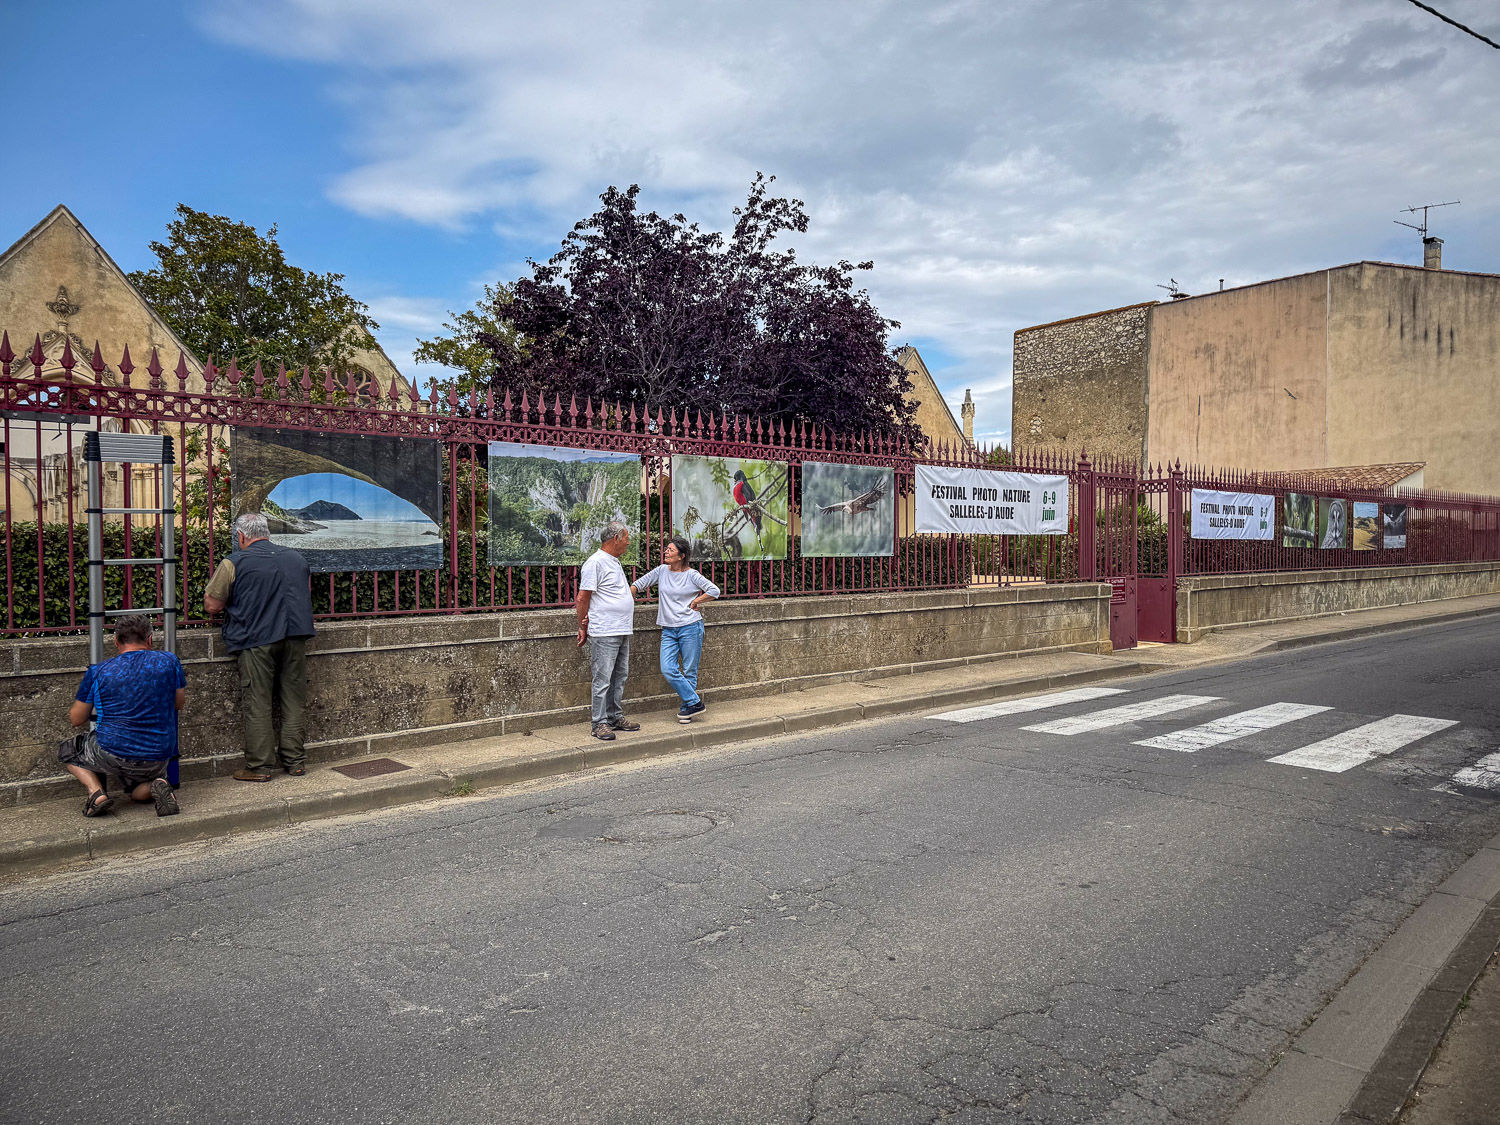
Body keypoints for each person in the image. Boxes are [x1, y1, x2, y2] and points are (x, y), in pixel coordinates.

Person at [203, 512, 316, 781]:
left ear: (241, 536)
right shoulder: (296, 558)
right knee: (293, 701)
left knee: (258, 702)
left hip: (257, 640)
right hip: (296, 636)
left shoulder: (234, 562)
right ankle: (295, 761)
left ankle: (260, 766)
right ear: (267, 532)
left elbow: (212, 605)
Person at [60, 614, 184, 818]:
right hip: (159, 754)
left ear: (116, 642)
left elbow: (76, 719)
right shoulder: (170, 662)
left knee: (68, 750)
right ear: (150, 639)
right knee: (137, 794)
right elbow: (179, 703)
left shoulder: (99, 671)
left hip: (114, 752)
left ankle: (96, 794)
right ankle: (158, 783)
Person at [633, 536, 719, 723]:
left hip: (690, 627)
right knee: (668, 668)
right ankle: (695, 701)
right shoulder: (662, 571)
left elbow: (714, 591)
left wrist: (696, 601)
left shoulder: (692, 575)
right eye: (666, 549)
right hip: (669, 630)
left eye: (670, 550)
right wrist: (625, 596)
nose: (666, 552)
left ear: (682, 555)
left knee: (689, 670)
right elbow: (638, 584)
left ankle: (688, 708)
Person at [576, 521, 639, 741]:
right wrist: (583, 626)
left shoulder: (613, 561)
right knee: (602, 679)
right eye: (627, 538)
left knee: (619, 677)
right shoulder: (595, 563)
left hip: (621, 629)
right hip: (604, 631)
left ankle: (614, 717)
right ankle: (599, 723)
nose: (629, 542)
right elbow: (583, 597)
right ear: (616, 539)